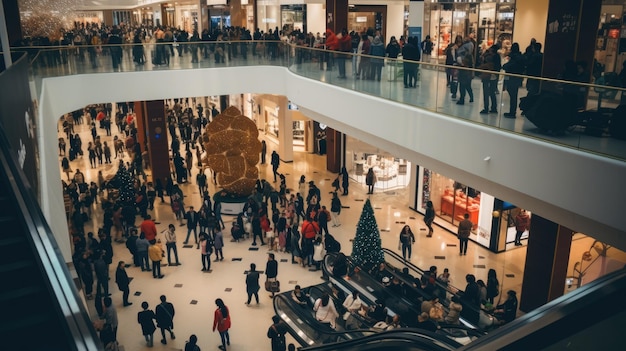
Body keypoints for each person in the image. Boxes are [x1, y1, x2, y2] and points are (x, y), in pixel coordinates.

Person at [502, 43, 526, 118]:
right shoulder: (521, 57)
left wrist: (505, 66)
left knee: (513, 95)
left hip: (512, 77)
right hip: (517, 78)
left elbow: (507, 66)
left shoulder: (514, 57)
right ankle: (512, 111)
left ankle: (512, 112)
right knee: (514, 95)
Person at [478, 44, 501, 114]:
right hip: (494, 76)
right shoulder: (497, 57)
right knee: (492, 92)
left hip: (487, 75)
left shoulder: (488, 56)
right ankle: (494, 107)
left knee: (486, 92)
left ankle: (486, 107)